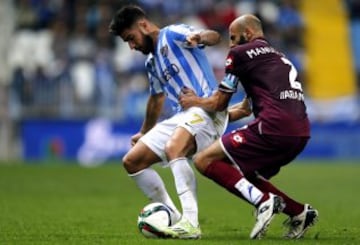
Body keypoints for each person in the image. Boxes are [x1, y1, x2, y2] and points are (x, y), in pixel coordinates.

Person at [179, 14, 319, 239]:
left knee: (203, 160)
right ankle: (299, 212)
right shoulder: (278, 58)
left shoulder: (239, 54)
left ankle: (264, 202)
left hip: (273, 127)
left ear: (250, 33)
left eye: (234, 37)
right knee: (239, 172)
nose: (231, 44)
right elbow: (245, 108)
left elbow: (218, 103)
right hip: (300, 132)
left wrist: (193, 101)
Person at [108, 4, 240, 239]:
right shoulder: (151, 62)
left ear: (144, 25)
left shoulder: (173, 34)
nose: (131, 46)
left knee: (174, 147)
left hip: (206, 109)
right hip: (183, 115)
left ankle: (191, 223)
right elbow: (156, 99)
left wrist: (199, 36)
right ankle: (175, 217)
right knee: (132, 161)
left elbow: (214, 36)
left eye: (131, 38)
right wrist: (143, 132)